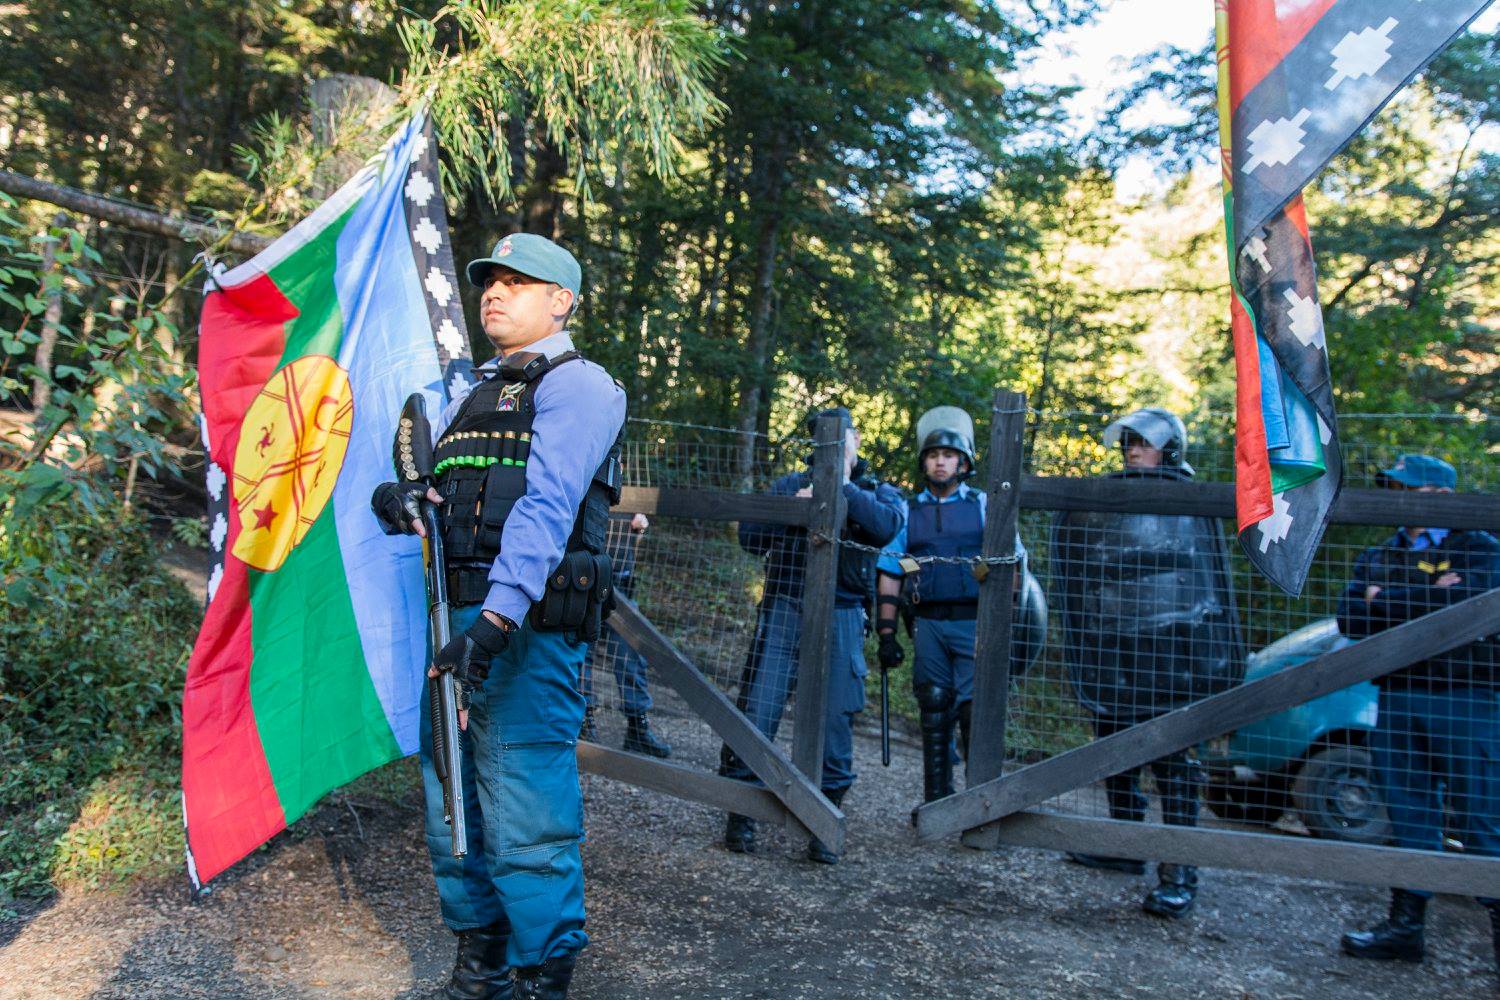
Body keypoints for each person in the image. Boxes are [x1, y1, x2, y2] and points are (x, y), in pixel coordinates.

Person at [371, 233, 623, 1000]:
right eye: (491, 281)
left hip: (524, 628)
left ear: (561, 301)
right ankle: (479, 963)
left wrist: (494, 625)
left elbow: (546, 508)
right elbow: (445, 496)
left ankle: (541, 972)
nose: (496, 292)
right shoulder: (467, 397)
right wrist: (400, 499)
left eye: (519, 281)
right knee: (450, 792)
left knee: (524, 802)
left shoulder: (581, 385)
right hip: (454, 619)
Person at [1049, 407, 1242, 919]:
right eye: (1128, 443)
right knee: (1113, 746)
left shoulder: (1188, 501)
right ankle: (1124, 845)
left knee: (1175, 763)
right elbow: (1091, 567)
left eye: (1143, 443)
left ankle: (1179, 872)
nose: (1133, 450)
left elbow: (1201, 580)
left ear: (1169, 450)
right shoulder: (1110, 500)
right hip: (1118, 645)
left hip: (1175, 648)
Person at [1335, 454, 1500, 970]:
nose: (1396, 497)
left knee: (1481, 817)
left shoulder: (1482, 548)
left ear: (1443, 496)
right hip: (1399, 696)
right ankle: (1405, 930)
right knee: (1408, 812)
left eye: (1408, 489)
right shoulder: (1380, 553)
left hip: (1467, 698)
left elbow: (1470, 609)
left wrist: (1384, 598)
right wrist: (1430, 595)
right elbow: (1350, 619)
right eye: (1391, 488)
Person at [718, 407, 903, 863]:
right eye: (823, 438)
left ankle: (824, 820)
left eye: (842, 437)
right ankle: (742, 814)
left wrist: (839, 488)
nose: (833, 444)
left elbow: (887, 527)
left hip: (842, 615)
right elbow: (750, 538)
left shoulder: (877, 491)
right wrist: (794, 509)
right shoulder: (788, 485)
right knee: (758, 709)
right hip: (784, 608)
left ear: (856, 441)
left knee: (835, 721)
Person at [873, 406, 1040, 806]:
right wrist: (886, 634)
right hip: (928, 624)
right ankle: (937, 803)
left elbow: (1013, 562)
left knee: (974, 710)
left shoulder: (984, 506)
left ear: (963, 462)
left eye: (948, 455)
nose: (940, 462)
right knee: (933, 703)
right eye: (933, 455)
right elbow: (890, 570)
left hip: (975, 624)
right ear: (924, 463)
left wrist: (1008, 625)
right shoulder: (907, 512)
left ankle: (978, 806)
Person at [579, 511, 672, 758]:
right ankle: (584, 721)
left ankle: (637, 727)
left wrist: (639, 530)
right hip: (589, 576)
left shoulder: (635, 489)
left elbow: (633, 540)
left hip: (622, 582)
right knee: (582, 650)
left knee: (631, 654)